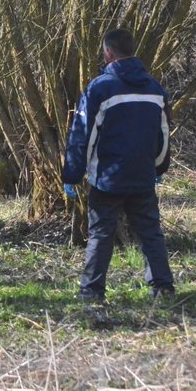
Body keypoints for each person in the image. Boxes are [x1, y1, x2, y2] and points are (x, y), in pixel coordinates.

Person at [62, 28, 175, 303]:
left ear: (108, 53)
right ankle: (163, 288)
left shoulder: (99, 88)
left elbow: (83, 136)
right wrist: (158, 168)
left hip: (107, 179)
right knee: (150, 234)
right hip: (142, 177)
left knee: (100, 235)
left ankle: (91, 291)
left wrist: (72, 174)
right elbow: (163, 135)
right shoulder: (154, 88)